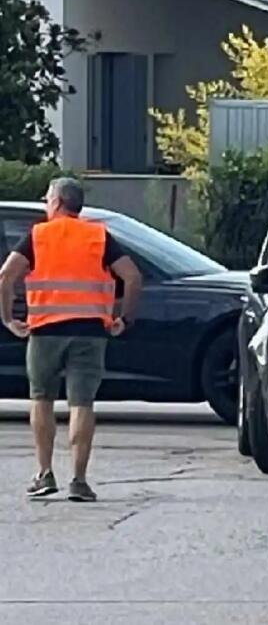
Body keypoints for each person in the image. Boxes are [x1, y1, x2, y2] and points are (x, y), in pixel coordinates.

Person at [0, 178, 142, 502]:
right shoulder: (98, 236)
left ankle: (44, 473)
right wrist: (124, 319)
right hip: (90, 332)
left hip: (45, 331)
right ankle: (79, 480)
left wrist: (8, 319)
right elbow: (133, 277)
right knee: (82, 404)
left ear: (58, 202)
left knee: (41, 399)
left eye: (47, 198)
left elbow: (6, 276)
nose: (45, 203)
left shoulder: (38, 235)